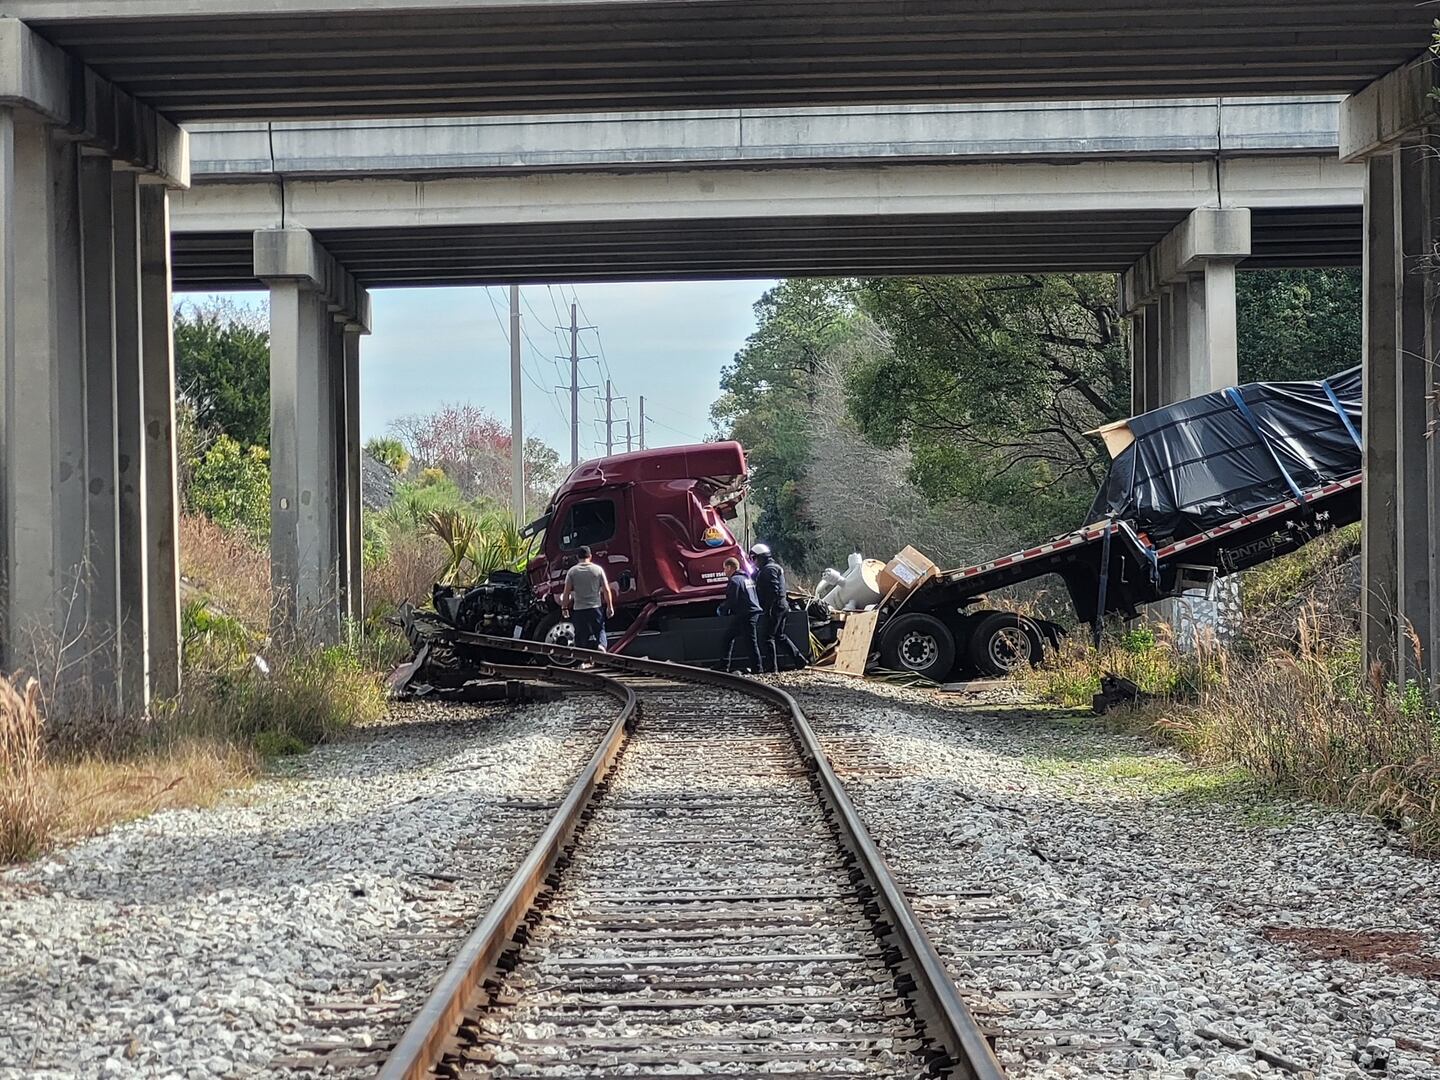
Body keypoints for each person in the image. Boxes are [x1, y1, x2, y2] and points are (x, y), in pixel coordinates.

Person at [751, 543, 809, 672]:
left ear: (759, 557)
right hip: (782, 605)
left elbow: (773, 590)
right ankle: (800, 661)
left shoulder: (768, 570)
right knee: (779, 636)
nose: (753, 562)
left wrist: (769, 607)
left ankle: (772, 667)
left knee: (768, 637)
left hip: (775, 607)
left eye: (753, 558)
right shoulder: (775, 567)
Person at [561, 546, 614, 654]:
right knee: (599, 630)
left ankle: (582, 658)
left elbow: (566, 592)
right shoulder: (598, 570)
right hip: (595, 608)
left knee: (581, 635)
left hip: (579, 609)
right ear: (590, 556)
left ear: (577, 557)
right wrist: (610, 606)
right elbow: (606, 590)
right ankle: (601, 646)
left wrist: (564, 608)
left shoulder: (572, 572)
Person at [719, 556, 763, 673]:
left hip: (745, 614)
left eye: (724, 569)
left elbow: (732, 599)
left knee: (750, 642)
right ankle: (724, 665)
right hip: (751, 612)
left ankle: (758, 669)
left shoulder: (734, 581)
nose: (724, 572)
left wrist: (724, 610)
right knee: (729, 637)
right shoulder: (747, 579)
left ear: (729, 567)